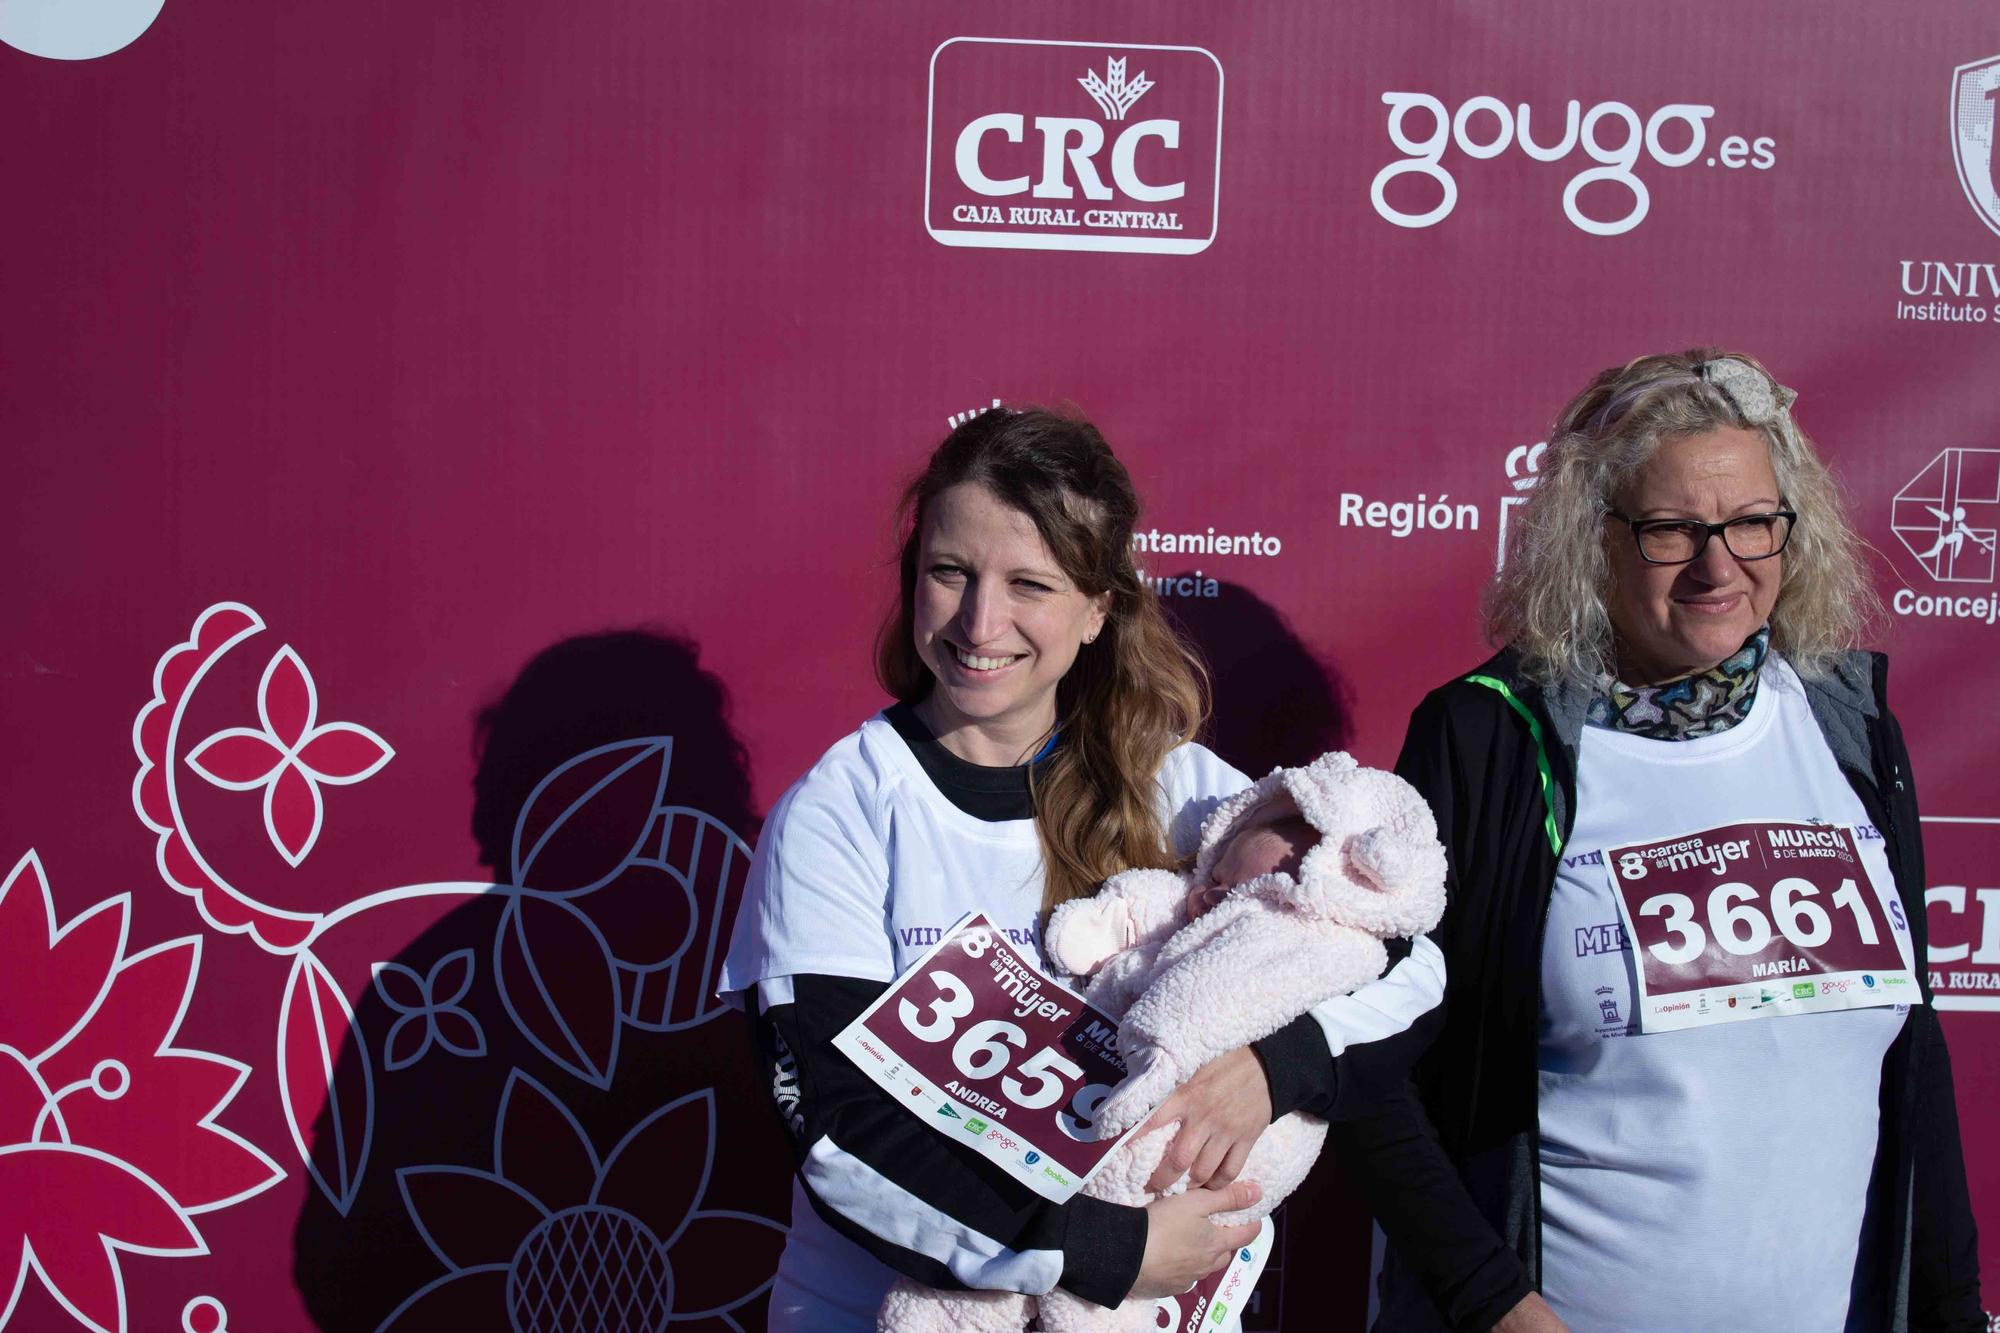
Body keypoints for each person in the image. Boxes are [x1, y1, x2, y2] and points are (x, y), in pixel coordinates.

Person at [718, 407, 1444, 1331]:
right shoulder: (843, 810)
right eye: (951, 572)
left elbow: (1413, 960)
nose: (982, 621)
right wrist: (1095, 1249)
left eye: (1031, 583)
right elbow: (832, 1129)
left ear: (1098, 608)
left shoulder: (1179, 787)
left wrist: (1278, 1065)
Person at [1336, 351, 1983, 1332]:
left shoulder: (1848, 727)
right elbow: (1369, 1065)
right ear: (1590, 539)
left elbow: (1911, 1063)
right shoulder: (1490, 737)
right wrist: (1494, 1307)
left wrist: (1948, 1310)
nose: (1718, 565)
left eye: (1750, 523)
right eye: (1671, 529)